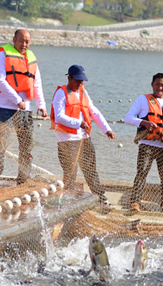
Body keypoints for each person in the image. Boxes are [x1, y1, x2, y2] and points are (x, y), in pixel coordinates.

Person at [50, 64, 116, 209]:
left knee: (91, 171)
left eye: (82, 81)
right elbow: (59, 117)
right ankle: (66, 202)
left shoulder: (84, 92)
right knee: (70, 173)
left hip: (84, 138)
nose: (80, 83)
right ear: (69, 78)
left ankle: (101, 200)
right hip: (67, 140)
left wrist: (107, 130)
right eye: (77, 80)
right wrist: (78, 123)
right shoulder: (61, 93)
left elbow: (94, 112)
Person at [0, 28, 46, 189]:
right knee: (0, 147)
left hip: (26, 111)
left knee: (26, 148)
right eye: (21, 40)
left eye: (27, 41)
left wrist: (41, 105)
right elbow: (0, 80)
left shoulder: (31, 58)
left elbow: (37, 83)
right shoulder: (3, 55)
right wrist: (17, 99)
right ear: (14, 39)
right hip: (5, 109)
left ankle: (23, 180)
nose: (24, 44)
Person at [123, 73, 163, 212]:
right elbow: (128, 118)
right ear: (152, 84)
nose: (160, 87)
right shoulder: (143, 99)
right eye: (157, 84)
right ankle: (135, 203)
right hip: (147, 144)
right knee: (141, 173)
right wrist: (143, 122)